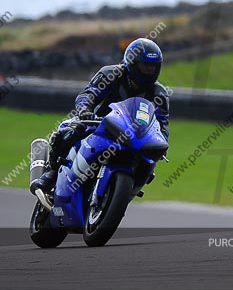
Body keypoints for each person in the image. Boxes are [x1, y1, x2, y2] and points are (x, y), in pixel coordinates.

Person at [30, 38, 170, 194]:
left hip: (133, 135)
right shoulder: (111, 74)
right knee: (70, 131)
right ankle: (52, 172)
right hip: (96, 122)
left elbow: (161, 122)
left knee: (149, 163)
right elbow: (88, 95)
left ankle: (128, 190)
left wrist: (162, 141)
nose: (150, 71)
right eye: (145, 66)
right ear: (132, 63)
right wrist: (84, 111)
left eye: (153, 66)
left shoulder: (159, 93)